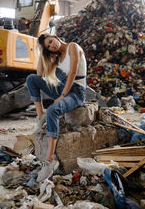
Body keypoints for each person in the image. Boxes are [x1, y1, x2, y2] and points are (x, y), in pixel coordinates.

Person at [26, 33, 87, 182]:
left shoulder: (73, 46)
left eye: (51, 42)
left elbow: (72, 72)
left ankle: (49, 160)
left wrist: (62, 96)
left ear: (56, 37)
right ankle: (41, 116)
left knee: (53, 110)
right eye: (48, 46)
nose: (52, 45)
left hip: (76, 92)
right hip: (62, 89)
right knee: (31, 79)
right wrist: (42, 52)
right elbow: (40, 73)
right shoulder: (57, 57)